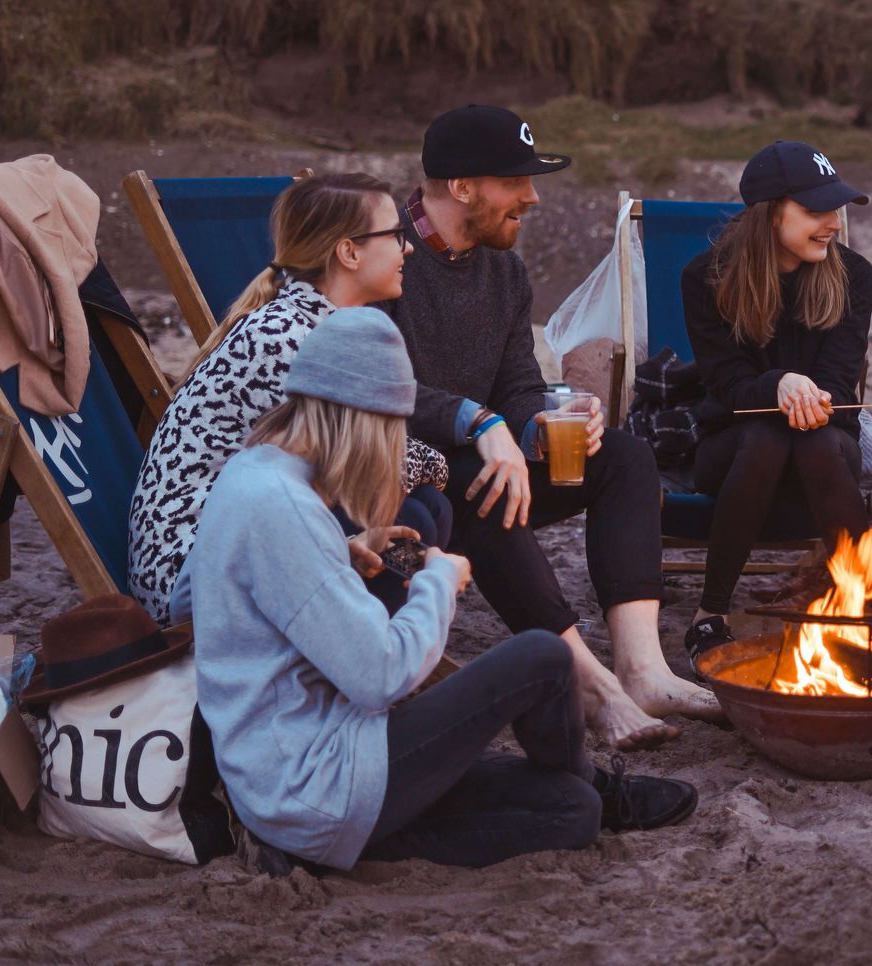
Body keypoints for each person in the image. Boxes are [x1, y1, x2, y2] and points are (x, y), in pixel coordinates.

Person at [189, 309, 697, 872]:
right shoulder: (280, 506)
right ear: (362, 418)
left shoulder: (256, 475)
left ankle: (585, 794)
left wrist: (340, 553)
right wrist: (438, 581)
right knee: (543, 658)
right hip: (317, 781)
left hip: (302, 786)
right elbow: (380, 676)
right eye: (391, 430)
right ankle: (597, 785)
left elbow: (235, 596)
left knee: (568, 812)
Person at [384, 104, 723, 749]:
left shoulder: (504, 270)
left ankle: (643, 668)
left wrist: (542, 418)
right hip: (406, 476)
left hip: (492, 457)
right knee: (481, 483)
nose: (533, 198)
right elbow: (378, 387)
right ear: (462, 188)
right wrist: (481, 424)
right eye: (516, 182)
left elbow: (515, 381)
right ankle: (591, 686)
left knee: (625, 456)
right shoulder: (384, 255)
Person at [128, 173, 453, 625]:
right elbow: (369, 467)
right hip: (192, 578)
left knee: (422, 510)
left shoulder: (306, 322)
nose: (409, 248)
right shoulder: (287, 339)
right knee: (413, 508)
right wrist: (443, 458)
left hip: (240, 541)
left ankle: (366, 641)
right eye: (396, 235)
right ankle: (361, 651)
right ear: (349, 251)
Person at [679, 141, 872, 657]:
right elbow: (727, 385)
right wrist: (779, 384)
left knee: (813, 441)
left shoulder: (854, 276)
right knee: (767, 436)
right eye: (816, 210)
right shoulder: (707, 278)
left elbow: (839, 376)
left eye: (835, 208)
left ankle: (861, 608)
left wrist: (810, 396)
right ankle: (712, 610)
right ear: (770, 214)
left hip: (826, 449)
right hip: (734, 449)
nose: (832, 222)